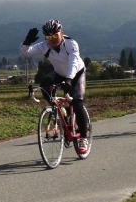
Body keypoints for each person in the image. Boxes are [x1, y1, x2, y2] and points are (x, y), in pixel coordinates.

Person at [20, 19, 89, 155]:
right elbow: (25, 53)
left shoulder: (71, 44)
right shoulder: (44, 45)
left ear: (61, 33)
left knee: (77, 102)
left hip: (76, 73)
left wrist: (69, 81)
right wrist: (26, 42)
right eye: (49, 37)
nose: (52, 40)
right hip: (59, 73)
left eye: (55, 36)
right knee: (45, 84)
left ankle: (83, 138)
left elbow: (73, 63)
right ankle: (59, 109)